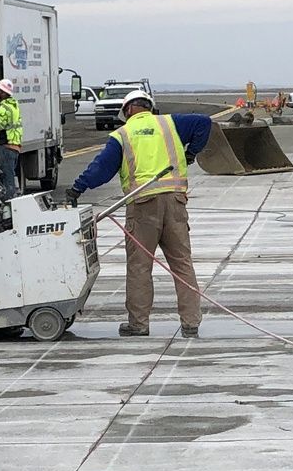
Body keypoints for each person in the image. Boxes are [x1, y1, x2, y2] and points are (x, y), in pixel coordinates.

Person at [70, 91, 215, 338]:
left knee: (140, 266)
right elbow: (204, 122)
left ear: (127, 111)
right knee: (182, 264)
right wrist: (191, 153)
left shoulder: (123, 135)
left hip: (143, 205)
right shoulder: (170, 124)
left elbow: (101, 170)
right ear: (150, 107)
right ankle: (191, 323)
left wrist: (78, 187)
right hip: (175, 202)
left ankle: (139, 324)